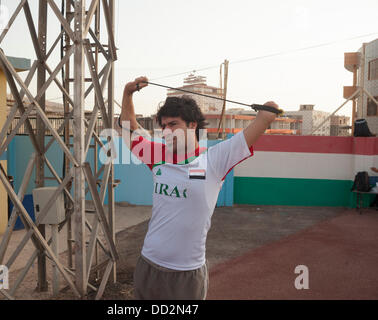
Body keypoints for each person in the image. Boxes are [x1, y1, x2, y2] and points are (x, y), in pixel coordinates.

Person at [119, 76, 280, 300]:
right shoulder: (156, 155)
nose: (166, 131)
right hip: (149, 264)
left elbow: (261, 122)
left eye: (173, 124)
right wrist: (127, 94)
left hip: (187, 273)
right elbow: (128, 129)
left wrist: (266, 113)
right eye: (163, 126)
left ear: (192, 125)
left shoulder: (214, 160)